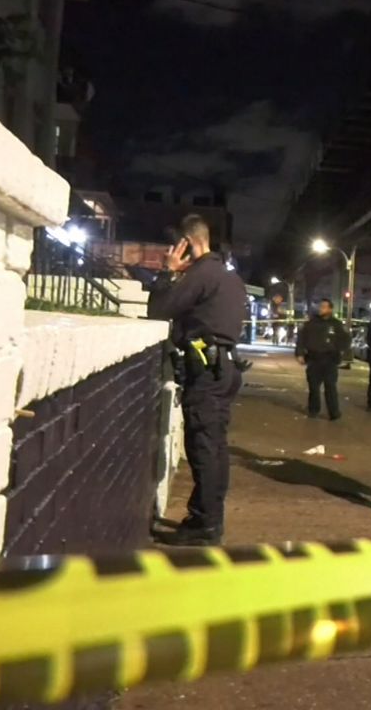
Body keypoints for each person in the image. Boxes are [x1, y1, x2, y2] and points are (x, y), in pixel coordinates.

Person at [147, 214, 246, 546]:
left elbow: (158, 310)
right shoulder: (229, 277)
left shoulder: (201, 274)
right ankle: (207, 519)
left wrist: (167, 272)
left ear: (187, 244)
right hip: (224, 369)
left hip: (206, 373)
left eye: (177, 245)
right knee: (215, 449)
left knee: (204, 449)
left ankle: (205, 526)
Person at [296, 299, 350, 420]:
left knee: (330, 387)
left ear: (330, 309)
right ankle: (313, 410)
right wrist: (300, 353)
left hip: (330, 359)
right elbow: (301, 339)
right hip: (314, 359)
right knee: (314, 387)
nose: (321, 309)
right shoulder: (311, 323)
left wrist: (340, 351)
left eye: (324, 307)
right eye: (321, 307)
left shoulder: (336, 324)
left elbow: (345, 339)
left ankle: (334, 412)